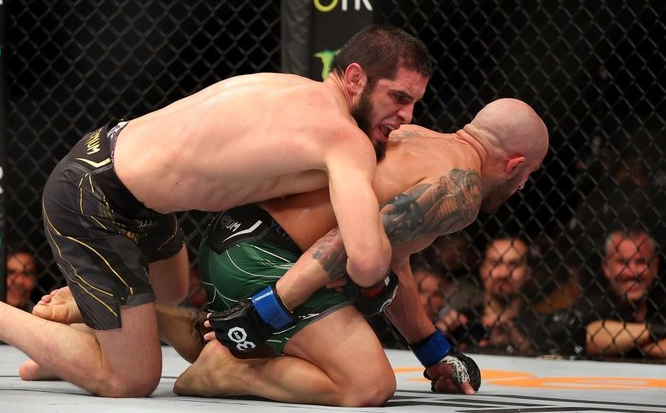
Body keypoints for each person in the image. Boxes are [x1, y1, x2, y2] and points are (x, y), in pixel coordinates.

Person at [0, 24, 434, 397]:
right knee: (132, 380)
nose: (407, 116)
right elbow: (367, 261)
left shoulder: (295, 90)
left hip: (124, 176)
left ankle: (74, 346)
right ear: (354, 77)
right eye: (398, 97)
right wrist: (386, 261)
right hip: (94, 198)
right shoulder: (344, 139)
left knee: (169, 293)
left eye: (415, 103)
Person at [169, 98, 548, 406]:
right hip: (263, 259)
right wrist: (264, 312)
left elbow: (393, 256)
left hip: (230, 240)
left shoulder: (415, 137)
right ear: (515, 165)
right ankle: (228, 370)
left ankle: (183, 325)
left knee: (334, 323)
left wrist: (433, 351)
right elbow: (342, 242)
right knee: (367, 385)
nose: (523, 185)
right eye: (529, 174)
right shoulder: (460, 189)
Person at [577, 229, 666, 359]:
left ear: (655, 266)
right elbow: (587, 339)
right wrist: (655, 333)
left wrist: (625, 343)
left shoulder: (662, 304)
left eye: (641, 262)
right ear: (606, 267)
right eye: (623, 262)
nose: (632, 272)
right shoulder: (592, 307)